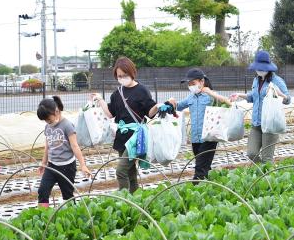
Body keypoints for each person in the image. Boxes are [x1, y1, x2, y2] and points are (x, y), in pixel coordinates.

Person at [91, 56, 166, 193]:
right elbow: (110, 113)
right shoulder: (117, 94)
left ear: (132, 73)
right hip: (122, 136)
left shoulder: (141, 90)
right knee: (130, 172)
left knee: (121, 171)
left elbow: (149, 113)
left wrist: (157, 106)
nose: (122, 78)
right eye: (119, 76)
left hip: (136, 137)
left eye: (125, 75)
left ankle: (124, 200)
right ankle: (136, 198)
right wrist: (100, 100)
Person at [168, 68, 232, 181]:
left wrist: (209, 91)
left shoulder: (210, 96)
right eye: (189, 84)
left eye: (193, 83)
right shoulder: (190, 97)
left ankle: (196, 188)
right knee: (203, 165)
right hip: (195, 138)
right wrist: (170, 102)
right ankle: (209, 187)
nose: (191, 86)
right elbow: (178, 106)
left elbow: (228, 102)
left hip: (208, 137)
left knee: (200, 168)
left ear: (202, 82)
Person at [230, 50, 290, 163]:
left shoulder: (277, 81)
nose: (260, 70)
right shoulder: (256, 80)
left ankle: (268, 177)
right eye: (258, 68)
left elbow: (288, 100)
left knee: (267, 158)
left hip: (270, 124)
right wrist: (239, 95)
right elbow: (253, 97)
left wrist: (279, 93)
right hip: (256, 124)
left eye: (262, 68)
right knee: (251, 153)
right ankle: (262, 173)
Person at [37, 96, 92, 207]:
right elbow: (48, 145)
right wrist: (43, 162)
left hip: (67, 167)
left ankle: (71, 219)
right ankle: (43, 219)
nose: (48, 122)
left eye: (49, 119)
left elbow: (75, 146)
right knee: (42, 191)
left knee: (67, 196)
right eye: (45, 120)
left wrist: (83, 165)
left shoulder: (67, 125)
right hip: (52, 166)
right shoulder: (48, 127)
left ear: (56, 112)